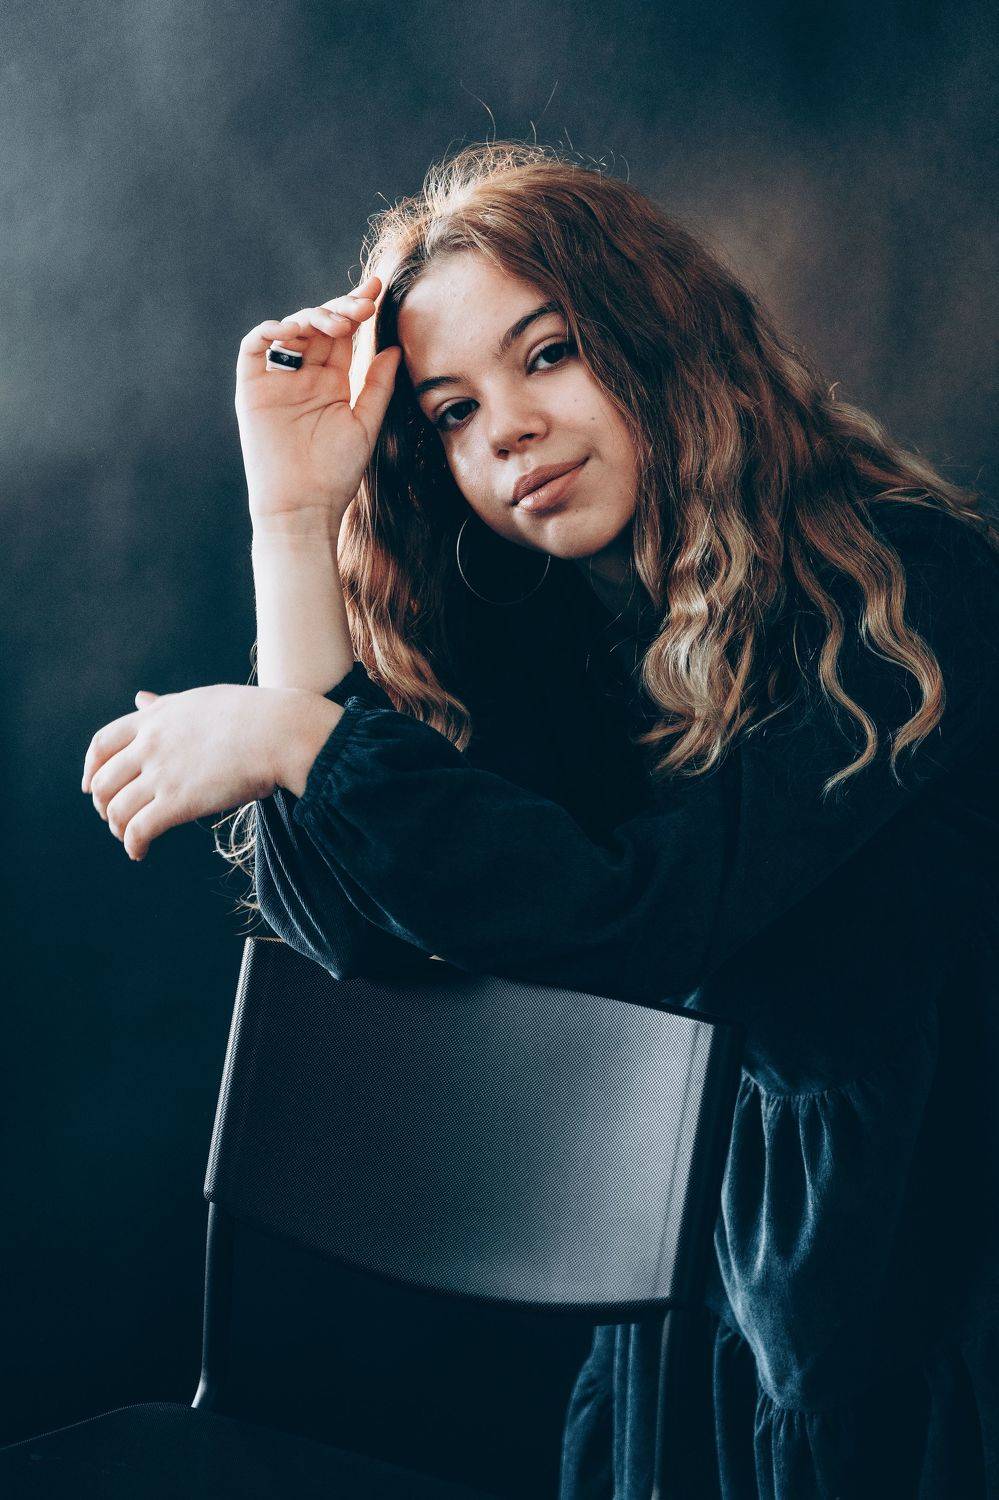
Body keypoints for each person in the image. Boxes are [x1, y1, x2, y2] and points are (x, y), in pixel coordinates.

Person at [82, 141, 999, 1497]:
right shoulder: (574, 628)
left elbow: (634, 921)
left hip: (928, 1287)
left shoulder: (908, 590)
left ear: (662, 342)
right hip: (714, 1298)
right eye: (452, 412)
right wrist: (293, 520)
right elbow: (354, 940)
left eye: (550, 354)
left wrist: (296, 740)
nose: (504, 429)